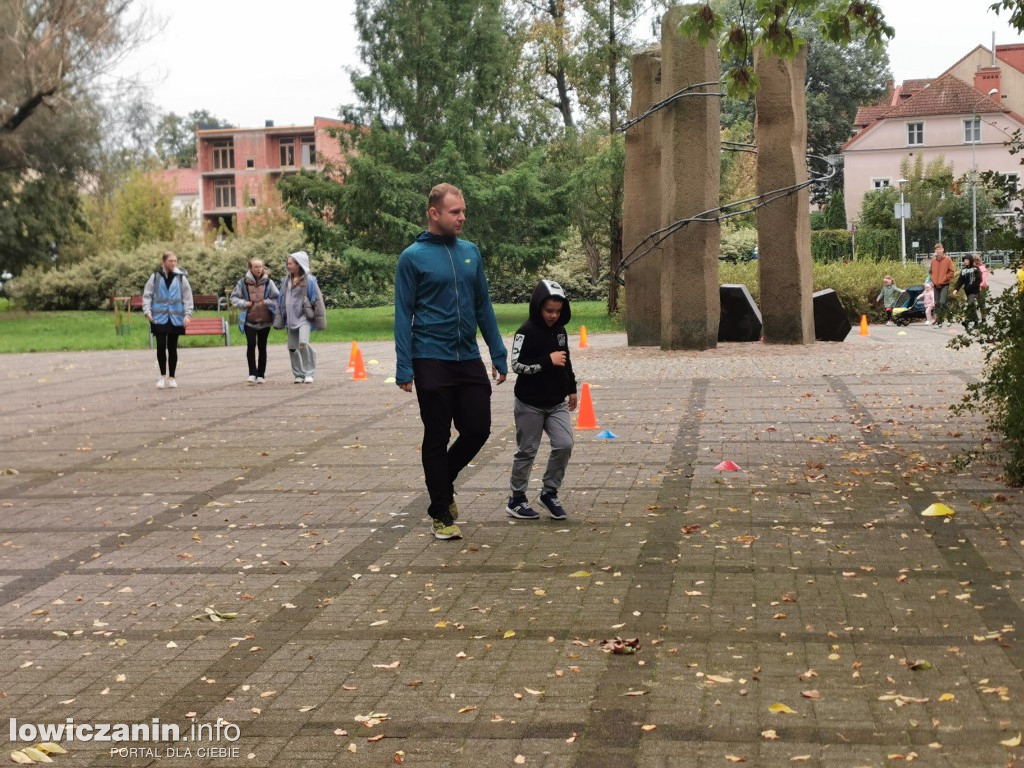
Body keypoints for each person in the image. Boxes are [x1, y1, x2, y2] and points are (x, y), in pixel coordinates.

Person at [394, 183, 508, 541]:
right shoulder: (412, 257)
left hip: (467, 357)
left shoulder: (471, 252)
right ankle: (441, 511)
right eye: (455, 212)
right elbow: (402, 313)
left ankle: (442, 483)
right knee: (437, 435)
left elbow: (483, 306)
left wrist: (498, 352)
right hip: (430, 358)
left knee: (478, 428)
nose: (462, 217)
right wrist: (404, 365)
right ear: (434, 213)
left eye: (463, 211)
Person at [506, 280, 578, 520]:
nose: (553, 316)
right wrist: (547, 361)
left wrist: (571, 388)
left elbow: (565, 360)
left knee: (564, 444)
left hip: (556, 402)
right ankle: (516, 499)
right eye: (549, 311)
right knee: (527, 450)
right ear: (537, 307)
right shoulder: (525, 332)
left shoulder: (560, 330)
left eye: (558, 311)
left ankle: (549, 492)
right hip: (529, 403)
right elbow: (516, 365)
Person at [273, 250, 326, 384]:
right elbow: (280, 300)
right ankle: (298, 374)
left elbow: (318, 301)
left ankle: (309, 373)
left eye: (290, 263)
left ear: (298, 265)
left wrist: (320, 320)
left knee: (303, 344)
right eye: (288, 263)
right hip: (290, 319)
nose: (288, 265)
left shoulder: (310, 280)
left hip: (304, 318)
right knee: (292, 347)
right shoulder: (285, 281)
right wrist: (279, 318)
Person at [142, 251, 193, 389]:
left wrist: (187, 315)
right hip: (158, 318)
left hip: (176, 318)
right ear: (163, 262)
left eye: (175, 261)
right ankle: (162, 376)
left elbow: (188, 297)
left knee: (172, 347)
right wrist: (147, 312)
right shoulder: (155, 277)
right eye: (170, 261)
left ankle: (172, 377)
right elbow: (147, 296)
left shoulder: (181, 278)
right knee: (160, 345)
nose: (173, 263)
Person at [230, 258, 279, 384]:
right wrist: (244, 303)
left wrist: (267, 302)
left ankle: (261, 375)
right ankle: (252, 373)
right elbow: (233, 298)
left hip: (265, 321)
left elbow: (277, 298)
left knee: (262, 347)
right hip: (249, 321)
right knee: (251, 345)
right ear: (250, 268)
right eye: (256, 267)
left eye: (260, 266)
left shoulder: (268, 282)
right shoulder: (243, 283)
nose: (259, 269)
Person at [929, 243, 956, 326]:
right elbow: (931, 272)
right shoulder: (933, 260)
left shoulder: (948, 259)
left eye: (940, 249)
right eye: (937, 249)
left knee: (942, 302)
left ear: (943, 249)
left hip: (944, 284)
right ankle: (938, 319)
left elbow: (951, 272)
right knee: (936, 303)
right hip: (936, 284)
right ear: (935, 251)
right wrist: (933, 280)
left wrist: (944, 279)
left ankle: (950, 315)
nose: (938, 251)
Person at [953, 253, 983, 329]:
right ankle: (976, 322)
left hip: (975, 291)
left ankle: (967, 320)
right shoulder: (963, 270)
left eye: (967, 260)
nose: (965, 261)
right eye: (964, 260)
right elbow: (960, 281)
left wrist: (970, 286)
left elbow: (979, 280)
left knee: (970, 304)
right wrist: (956, 289)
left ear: (971, 260)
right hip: (968, 292)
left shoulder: (975, 269)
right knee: (971, 305)